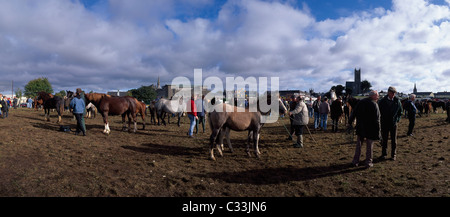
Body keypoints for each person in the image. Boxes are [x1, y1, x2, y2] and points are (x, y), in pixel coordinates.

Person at [348, 90, 381, 168]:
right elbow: (377, 119)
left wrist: (350, 122)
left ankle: (355, 161)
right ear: (373, 96)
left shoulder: (361, 102)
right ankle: (368, 163)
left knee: (358, 146)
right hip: (370, 129)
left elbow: (354, 112)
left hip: (360, 127)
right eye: (377, 95)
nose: (378, 97)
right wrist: (379, 132)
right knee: (369, 146)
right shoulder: (374, 104)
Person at [378, 86, 402, 161]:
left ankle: (393, 155)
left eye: (394, 93)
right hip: (384, 123)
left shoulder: (397, 101)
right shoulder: (382, 101)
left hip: (393, 124)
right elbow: (379, 113)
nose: (393, 94)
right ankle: (384, 154)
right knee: (384, 139)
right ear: (388, 92)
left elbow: (400, 112)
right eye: (392, 93)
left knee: (394, 140)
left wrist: (397, 120)